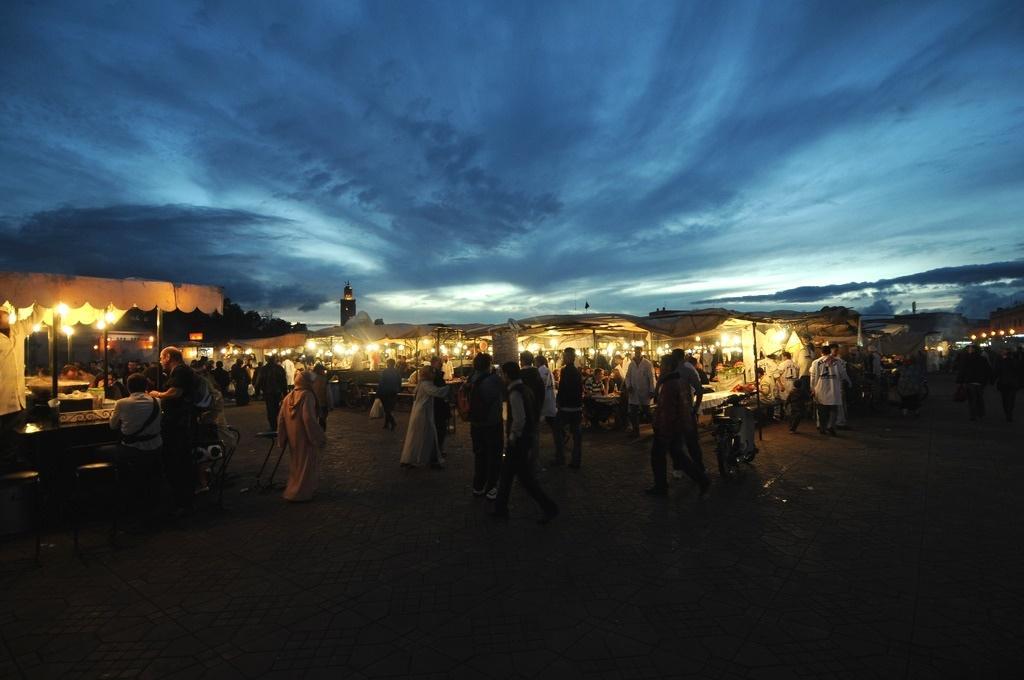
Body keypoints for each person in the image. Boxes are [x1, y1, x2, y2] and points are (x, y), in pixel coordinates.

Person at [491, 362, 559, 523]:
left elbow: (519, 419)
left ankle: (549, 507)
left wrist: (513, 438)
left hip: (519, 442)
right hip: (525, 438)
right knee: (508, 475)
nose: (501, 377)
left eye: (502, 374)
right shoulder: (525, 389)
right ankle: (501, 509)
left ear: (507, 375)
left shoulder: (515, 393)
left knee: (524, 479)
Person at [646, 355, 710, 496]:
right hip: (677, 424)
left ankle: (661, 486)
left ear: (668, 366)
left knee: (658, 456)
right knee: (678, 455)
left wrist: (661, 426)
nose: (660, 367)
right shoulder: (679, 380)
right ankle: (701, 479)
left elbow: (667, 409)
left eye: (662, 364)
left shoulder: (670, 384)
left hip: (668, 425)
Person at [103, 372, 163, 522]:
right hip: (156, 447)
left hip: (132, 450)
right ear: (146, 386)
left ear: (128, 387)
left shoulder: (122, 403)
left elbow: (112, 426)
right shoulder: (157, 401)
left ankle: (110, 494)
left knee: (100, 452)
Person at [147, 346, 198, 514]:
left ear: (168, 357)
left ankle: (182, 500)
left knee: (178, 460)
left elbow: (175, 393)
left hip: (179, 424)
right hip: (179, 422)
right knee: (179, 460)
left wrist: (156, 394)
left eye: (162, 358)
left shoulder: (181, 371)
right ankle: (182, 498)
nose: (161, 361)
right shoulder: (180, 371)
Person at [276, 370, 325, 501]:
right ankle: (301, 492)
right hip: (305, 436)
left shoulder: (288, 397)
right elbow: (308, 419)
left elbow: (280, 419)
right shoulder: (307, 396)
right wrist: (317, 436)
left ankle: (293, 489)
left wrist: (282, 437)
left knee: (296, 464)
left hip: (293, 437)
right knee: (306, 465)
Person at [468, 353, 505, 496]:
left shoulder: (471, 378)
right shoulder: (494, 380)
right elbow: (505, 391)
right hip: (492, 423)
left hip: (475, 423)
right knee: (494, 455)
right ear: (488, 365)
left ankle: (478, 486)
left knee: (479, 454)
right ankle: (491, 488)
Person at [400, 366, 450, 468]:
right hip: (423, 413)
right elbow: (436, 392)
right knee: (424, 435)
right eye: (432, 373)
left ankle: (414, 458)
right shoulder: (426, 384)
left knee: (418, 435)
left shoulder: (421, 384)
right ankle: (421, 458)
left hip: (421, 412)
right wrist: (448, 388)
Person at [555, 347, 584, 468]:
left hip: (567, 408)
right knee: (576, 436)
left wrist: (559, 402)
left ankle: (561, 458)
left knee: (559, 432)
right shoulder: (576, 372)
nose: (564, 358)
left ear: (571, 357)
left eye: (565, 356)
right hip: (576, 407)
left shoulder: (567, 371)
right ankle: (575, 460)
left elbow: (563, 389)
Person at [519, 351, 545, 470]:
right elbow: (541, 392)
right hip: (535, 410)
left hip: (523, 411)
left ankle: (524, 463)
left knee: (523, 437)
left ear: (522, 360)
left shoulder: (519, 374)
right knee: (535, 437)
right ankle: (534, 463)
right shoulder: (536, 373)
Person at [809, 344, 842, 436]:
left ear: (821, 352)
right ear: (830, 351)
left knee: (822, 410)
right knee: (833, 409)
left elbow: (813, 376)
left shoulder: (816, 362)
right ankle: (831, 426)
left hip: (821, 387)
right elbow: (842, 374)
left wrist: (813, 388)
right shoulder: (837, 361)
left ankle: (822, 428)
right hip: (834, 387)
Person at [624, 346, 656, 437]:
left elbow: (651, 377)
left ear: (641, 352)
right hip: (633, 392)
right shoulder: (631, 364)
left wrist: (652, 390)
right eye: (635, 351)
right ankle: (635, 431)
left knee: (647, 412)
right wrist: (628, 386)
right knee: (633, 412)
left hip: (645, 391)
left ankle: (656, 429)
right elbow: (628, 376)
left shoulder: (647, 363)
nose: (637, 353)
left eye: (638, 351)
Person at [957, 345, 991, 421]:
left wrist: (960, 381)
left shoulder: (966, 359)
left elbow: (962, 371)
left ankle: (973, 415)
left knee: (971, 399)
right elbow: (988, 371)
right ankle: (980, 413)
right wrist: (986, 381)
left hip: (970, 381)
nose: (969, 350)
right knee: (979, 398)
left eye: (970, 349)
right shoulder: (983, 359)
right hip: (980, 382)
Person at [536, 354, 559, 461]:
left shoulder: (542, 370)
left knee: (550, 418)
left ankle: (560, 434)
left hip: (546, 398)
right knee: (550, 418)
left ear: (539, 362)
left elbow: (542, 385)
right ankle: (560, 434)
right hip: (549, 397)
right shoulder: (546, 370)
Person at [429, 355, 451, 461]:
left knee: (441, 428)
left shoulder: (437, 375)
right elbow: (437, 391)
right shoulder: (433, 376)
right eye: (439, 363)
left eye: (441, 362)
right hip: (437, 406)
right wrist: (446, 389)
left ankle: (439, 449)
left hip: (441, 405)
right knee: (439, 429)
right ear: (433, 363)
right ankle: (437, 451)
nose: (442, 364)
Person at [260, 355, 288, 430]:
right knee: (278, 408)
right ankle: (279, 424)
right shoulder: (279, 368)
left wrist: (262, 390)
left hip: (268, 392)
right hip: (277, 391)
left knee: (270, 409)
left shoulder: (264, 369)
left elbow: (261, 381)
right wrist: (285, 392)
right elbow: (284, 381)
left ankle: (273, 426)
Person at [993, 348, 1021, 422]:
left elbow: (997, 372)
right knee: (1011, 399)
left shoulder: (1001, 362)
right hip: (1013, 383)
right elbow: (1019, 372)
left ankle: (1007, 413)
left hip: (1004, 383)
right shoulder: (1015, 361)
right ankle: (1009, 413)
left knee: (1005, 399)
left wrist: (993, 380)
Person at [378, 358, 402, 431]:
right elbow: (399, 381)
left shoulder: (385, 371)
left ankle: (392, 422)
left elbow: (381, 382)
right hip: (394, 391)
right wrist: (398, 389)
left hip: (386, 391)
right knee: (390, 408)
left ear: (388, 364)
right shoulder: (397, 371)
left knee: (386, 409)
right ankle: (386, 424)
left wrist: (378, 392)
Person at [311, 363, 330, 431]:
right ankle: (321, 432)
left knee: (315, 418)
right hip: (322, 402)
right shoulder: (324, 379)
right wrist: (330, 404)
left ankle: (316, 433)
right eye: (323, 370)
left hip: (313, 402)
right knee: (322, 419)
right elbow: (328, 393)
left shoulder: (311, 379)